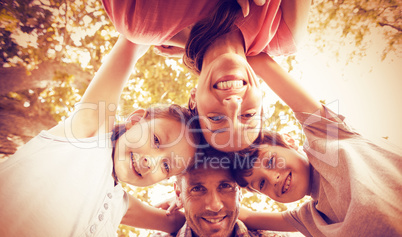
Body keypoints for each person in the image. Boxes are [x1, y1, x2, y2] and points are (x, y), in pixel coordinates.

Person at [0, 36, 200, 237]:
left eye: (166, 166)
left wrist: (184, 196)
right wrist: (191, 44)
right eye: (156, 140)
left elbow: (185, 222)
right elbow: (133, 41)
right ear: (135, 121)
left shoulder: (120, 206)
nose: (151, 162)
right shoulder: (89, 135)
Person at [229, 53, 402, 237]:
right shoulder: (310, 220)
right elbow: (244, 216)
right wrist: (180, 199)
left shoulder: (327, 139)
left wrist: (205, 55)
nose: (272, 178)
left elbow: (262, 64)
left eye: (271, 161)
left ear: (290, 142)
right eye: (261, 184)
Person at [101, 0, 311, 152]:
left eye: (216, 118)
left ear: (194, 99)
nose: (233, 104)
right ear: (262, 99)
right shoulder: (285, 32)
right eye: (248, 116)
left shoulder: (138, 19)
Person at [122, 157, 324, 237]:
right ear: (178, 193)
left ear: (240, 192)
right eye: (197, 189)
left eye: (225, 186)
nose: (214, 206)